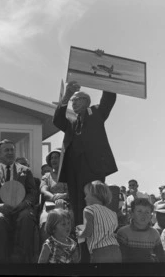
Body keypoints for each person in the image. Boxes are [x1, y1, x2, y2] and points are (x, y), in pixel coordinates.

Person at [53, 80, 117, 227]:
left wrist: (101, 77)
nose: (73, 103)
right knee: (77, 209)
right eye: (72, 100)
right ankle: (81, 244)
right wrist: (66, 96)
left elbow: (108, 99)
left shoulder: (96, 113)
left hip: (92, 170)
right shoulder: (72, 124)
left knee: (94, 205)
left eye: (77, 99)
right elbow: (57, 120)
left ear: (87, 101)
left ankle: (95, 242)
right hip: (73, 172)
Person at [0, 139, 38, 263]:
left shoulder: (25, 170)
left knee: (27, 218)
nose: (10, 152)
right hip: (0, 209)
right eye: (6, 150)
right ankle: (1, 260)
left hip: (22, 208)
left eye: (12, 150)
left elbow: (33, 193)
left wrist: (24, 204)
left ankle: (23, 260)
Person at [76, 181, 121, 263]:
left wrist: (80, 234)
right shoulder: (113, 213)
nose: (84, 198)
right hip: (116, 250)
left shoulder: (89, 209)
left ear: (95, 194)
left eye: (86, 195)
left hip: (100, 252)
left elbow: (88, 231)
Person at [117, 198, 165, 263]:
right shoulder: (123, 233)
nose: (143, 215)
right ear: (132, 214)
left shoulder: (154, 233)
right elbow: (123, 258)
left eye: (147, 212)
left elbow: (161, 257)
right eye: (139, 211)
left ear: (151, 216)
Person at [39, 149, 69, 245]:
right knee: (45, 220)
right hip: (50, 206)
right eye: (52, 158)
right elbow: (43, 190)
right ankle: (49, 249)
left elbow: (74, 190)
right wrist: (54, 197)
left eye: (56, 157)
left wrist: (64, 196)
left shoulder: (70, 175)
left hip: (68, 204)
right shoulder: (47, 176)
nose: (54, 160)